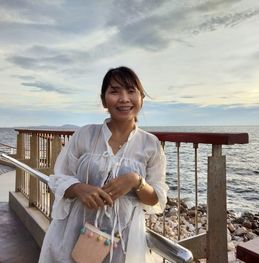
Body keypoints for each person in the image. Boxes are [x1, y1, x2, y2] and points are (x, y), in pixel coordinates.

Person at [39, 66, 168, 263]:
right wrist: (78, 188)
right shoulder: (85, 135)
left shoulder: (150, 144)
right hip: (75, 231)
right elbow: (58, 178)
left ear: (141, 97)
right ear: (103, 100)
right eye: (115, 91)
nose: (124, 98)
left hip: (123, 240)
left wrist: (135, 180)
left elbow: (156, 198)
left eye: (131, 91)